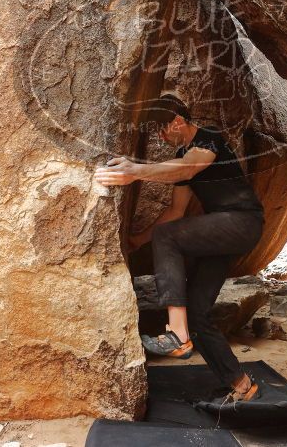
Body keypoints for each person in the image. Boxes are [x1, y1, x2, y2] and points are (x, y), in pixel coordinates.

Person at [95, 94, 265, 403]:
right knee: (199, 314)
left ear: (177, 122)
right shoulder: (183, 153)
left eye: (162, 130)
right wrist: (136, 240)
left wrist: (135, 170)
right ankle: (242, 385)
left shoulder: (210, 137)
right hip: (223, 234)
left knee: (167, 236)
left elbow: (188, 169)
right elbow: (175, 211)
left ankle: (176, 333)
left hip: (243, 222)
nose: (160, 137)